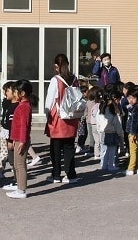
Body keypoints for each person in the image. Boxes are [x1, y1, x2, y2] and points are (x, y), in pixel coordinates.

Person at [45, 54, 81, 183]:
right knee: (69, 147)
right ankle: (71, 174)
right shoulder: (74, 79)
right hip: (72, 116)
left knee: (55, 148)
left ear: (56, 66)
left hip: (58, 116)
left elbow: (50, 99)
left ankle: (56, 175)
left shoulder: (56, 80)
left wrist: (47, 114)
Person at [5, 79, 33, 199]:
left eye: (15, 91)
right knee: (17, 164)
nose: (14, 94)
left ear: (22, 93)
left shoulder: (24, 107)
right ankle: (19, 187)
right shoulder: (21, 105)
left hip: (22, 140)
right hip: (18, 139)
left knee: (20, 165)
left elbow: (24, 126)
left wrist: (22, 141)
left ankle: (21, 190)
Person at [96, 90, 123, 172]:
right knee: (112, 150)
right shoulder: (112, 110)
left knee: (104, 150)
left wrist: (99, 130)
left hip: (102, 132)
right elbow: (117, 123)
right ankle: (111, 165)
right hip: (112, 132)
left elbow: (97, 121)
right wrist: (120, 133)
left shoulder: (101, 109)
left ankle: (104, 165)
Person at [0, 81, 18, 180]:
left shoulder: (17, 105)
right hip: (5, 130)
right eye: (5, 91)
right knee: (4, 152)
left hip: (12, 132)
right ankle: (1, 170)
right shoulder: (6, 102)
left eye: (7, 91)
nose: (5, 93)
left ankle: (15, 172)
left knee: (13, 153)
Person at [125, 88, 138, 175]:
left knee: (133, 151)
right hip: (136, 132)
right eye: (129, 98)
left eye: (133, 98)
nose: (131, 100)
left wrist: (132, 134)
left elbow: (134, 122)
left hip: (135, 132)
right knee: (136, 150)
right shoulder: (132, 107)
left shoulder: (136, 108)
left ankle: (131, 168)